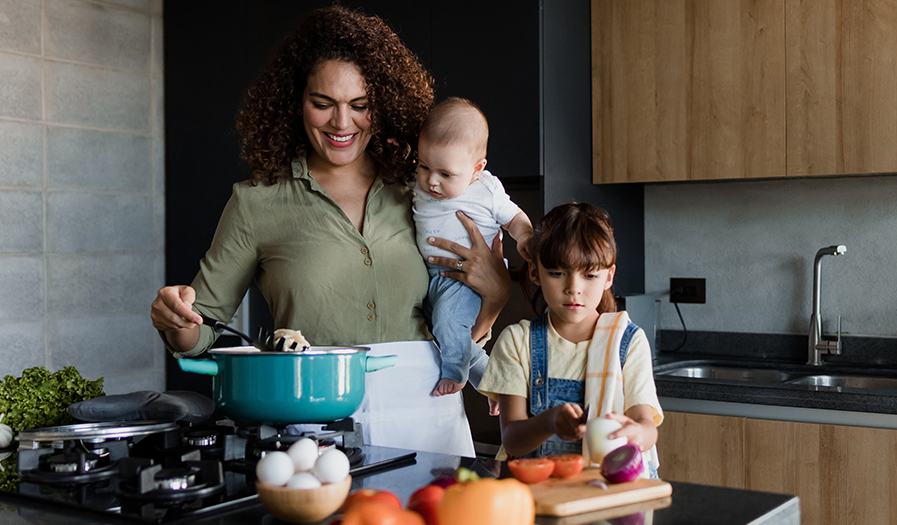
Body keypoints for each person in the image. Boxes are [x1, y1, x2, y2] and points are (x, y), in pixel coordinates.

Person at [149, 5, 510, 458]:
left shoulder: (421, 191)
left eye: (360, 106)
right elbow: (199, 331)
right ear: (295, 101)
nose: (342, 123)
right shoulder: (257, 202)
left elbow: (461, 314)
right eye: (323, 104)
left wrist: (496, 296)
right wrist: (175, 319)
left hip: (429, 420)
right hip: (312, 431)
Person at [476, 203, 662, 476]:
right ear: (534, 272)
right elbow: (512, 438)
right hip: (541, 492)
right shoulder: (517, 342)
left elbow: (646, 425)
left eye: (589, 275)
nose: (574, 288)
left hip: (610, 490)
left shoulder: (628, 341)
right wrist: (549, 421)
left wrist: (637, 433)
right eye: (557, 273)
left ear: (608, 276)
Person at [412, 98, 533, 397]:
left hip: (465, 279)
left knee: (447, 325)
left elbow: (514, 218)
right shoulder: (418, 182)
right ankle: (495, 387)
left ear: (476, 169)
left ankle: (455, 375)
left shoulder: (487, 191)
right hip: (434, 278)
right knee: (441, 334)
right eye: (424, 166)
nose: (432, 181)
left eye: (446, 174)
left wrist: (527, 237)